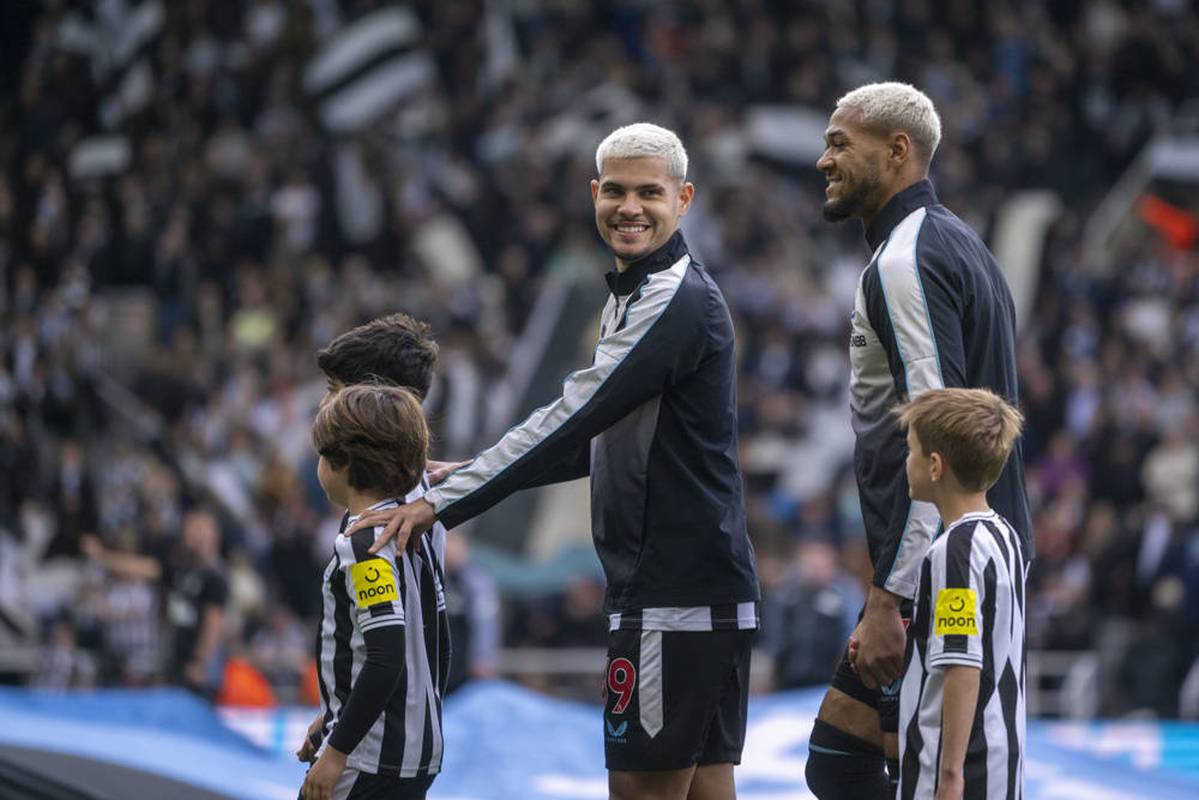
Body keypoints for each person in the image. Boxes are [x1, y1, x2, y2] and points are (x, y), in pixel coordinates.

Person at [349, 122, 760, 800]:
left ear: (683, 199)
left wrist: (444, 502)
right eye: (617, 191)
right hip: (697, 587)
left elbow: (574, 413)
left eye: (649, 193)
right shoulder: (642, 293)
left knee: (640, 789)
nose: (630, 207)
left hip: (673, 591)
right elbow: (597, 438)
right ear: (594, 194)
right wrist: (474, 468)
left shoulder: (672, 299)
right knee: (702, 789)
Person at [806, 82, 1033, 799]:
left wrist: (889, 599)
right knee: (845, 756)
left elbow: (934, 436)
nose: (823, 159)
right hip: (966, 548)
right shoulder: (958, 242)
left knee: (930, 775)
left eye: (840, 142)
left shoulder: (904, 263)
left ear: (897, 151)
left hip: (941, 565)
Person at [298, 383, 448, 800]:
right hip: (415, 753)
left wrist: (337, 751)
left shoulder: (365, 546)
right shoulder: (414, 530)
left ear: (341, 462)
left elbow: (385, 654)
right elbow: (430, 642)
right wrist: (334, 716)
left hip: (368, 759)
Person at [890, 388, 1027, 800]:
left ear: (935, 465)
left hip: (957, 773)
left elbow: (963, 664)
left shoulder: (957, 550)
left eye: (911, 450)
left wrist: (949, 777)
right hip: (1001, 767)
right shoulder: (1005, 535)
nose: (906, 460)